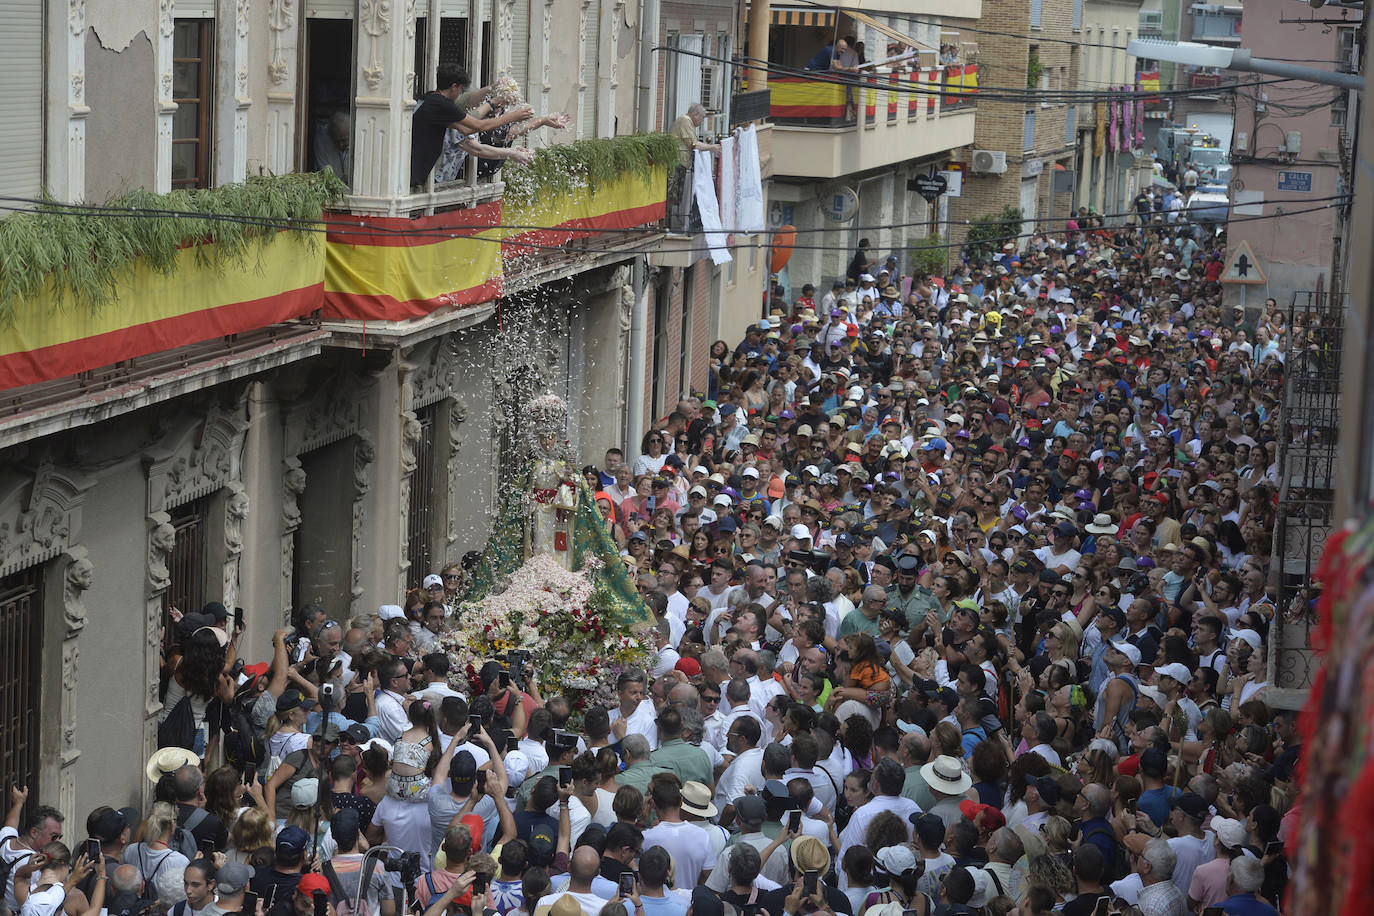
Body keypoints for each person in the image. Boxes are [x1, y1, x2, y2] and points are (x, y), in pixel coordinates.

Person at [411, 65, 534, 188]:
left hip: (417, 175)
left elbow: (466, 129)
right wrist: (511, 116)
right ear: (454, 87)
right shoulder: (442, 105)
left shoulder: (433, 100)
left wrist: (496, 90)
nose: (460, 94)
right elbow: (478, 126)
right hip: (417, 175)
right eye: (460, 89)